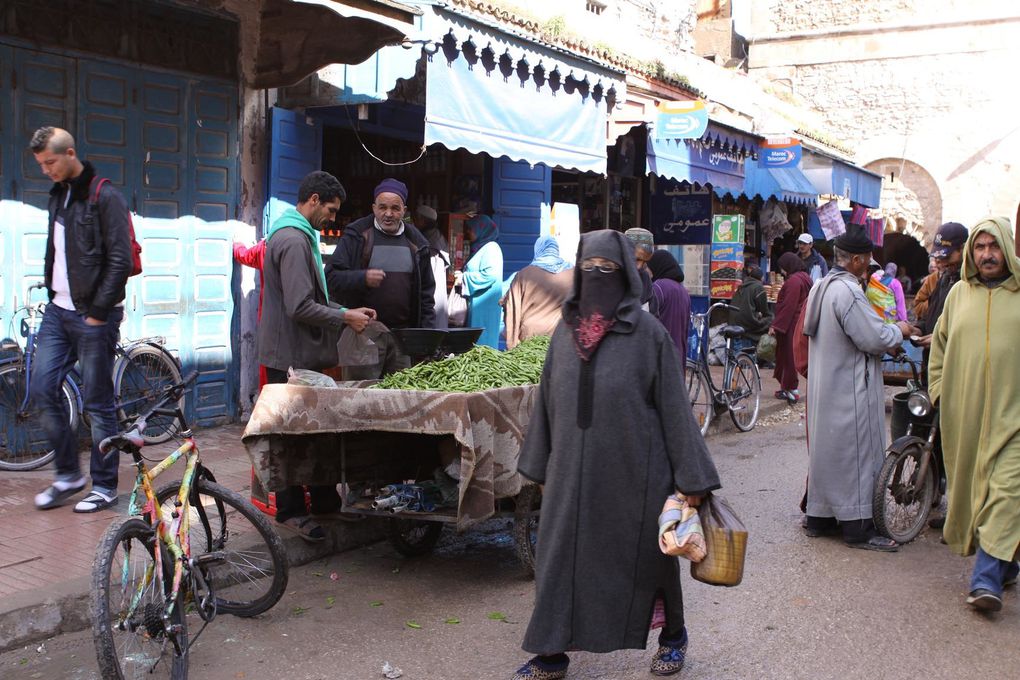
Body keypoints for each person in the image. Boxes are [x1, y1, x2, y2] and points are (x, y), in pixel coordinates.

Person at [513, 230, 720, 680]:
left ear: (625, 274)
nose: (597, 277)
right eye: (588, 269)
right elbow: (546, 402)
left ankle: (673, 639)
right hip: (570, 475)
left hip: (635, 475)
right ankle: (551, 655)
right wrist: (540, 465)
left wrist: (692, 480)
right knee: (557, 562)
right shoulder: (564, 335)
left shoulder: (649, 336)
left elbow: (674, 409)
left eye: (607, 270)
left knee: (651, 565)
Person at [258, 170, 375, 542]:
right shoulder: (292, 240)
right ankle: (292, 511)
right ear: (312, 201)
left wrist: (348, 311)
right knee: (292, 438)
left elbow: (314, 300)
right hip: (290, 357)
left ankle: (325, 501)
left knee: (318, 433)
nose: (333, 218)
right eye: (330, 209)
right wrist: (344, 317)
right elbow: (299, 306)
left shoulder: (298, 235)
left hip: (302, 354)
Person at [29, 127, 133, 513]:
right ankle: (69, 475)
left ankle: (104, 486)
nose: (46, 170)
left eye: (50, 162)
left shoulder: (105, 196)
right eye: (41, 165)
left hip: (93, 315)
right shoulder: (59, 195)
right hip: (58, 311)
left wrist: (98, 313)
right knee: (42, 387)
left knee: (98, 402)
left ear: (70, 153)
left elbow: (120, 260)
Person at [801, 227, 916, 551]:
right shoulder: (848, 292)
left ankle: (820, 519)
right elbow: (873, 337)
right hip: (849, 388)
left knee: (828, 455)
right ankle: (858, 528)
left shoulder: (821, 287)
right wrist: (901, 330)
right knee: (855, 456)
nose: (868, 265)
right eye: (866, 260)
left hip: (827, 386)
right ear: (855, 260)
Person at [928, 217, 1020, 613]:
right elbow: (940, 350)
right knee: (974, 491)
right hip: (963, 416)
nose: (987, 254)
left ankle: (985, 581)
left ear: (1008, 249)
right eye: (980, 247)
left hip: (1013, 419)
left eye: (994, 246)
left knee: (1005, 492)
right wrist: (937, 392)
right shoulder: (958, 295)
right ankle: (1007, 562)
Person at [325, 178, 436, 378]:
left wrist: (425, 339)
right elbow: (331, 278)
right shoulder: (357, 234)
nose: (388, 214)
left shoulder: (417, 243)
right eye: (382, 207)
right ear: (374, 207)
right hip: (364, 333)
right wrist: (362, 278)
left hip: (403, 338)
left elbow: (426, 294)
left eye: (395, 208)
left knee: (400, 399)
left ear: (404, 210)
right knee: (361, 398)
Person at [501, 235, 573, 349]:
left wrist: (512, 340)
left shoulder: (524, 274)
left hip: (530, 335)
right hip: (561, 334)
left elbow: (512, 306)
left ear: (538, 249)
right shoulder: (572, 273)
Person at [913, 222, 968, 347]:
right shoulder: (945, 279)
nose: (942, 262)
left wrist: (941, 339)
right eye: (939, 257)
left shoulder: (971, 283)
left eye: (947, 256)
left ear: (963, 249)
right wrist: (918, 329)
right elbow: (931, 315)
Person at [769, 252, 812, 404]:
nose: (782, 271)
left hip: (791, 324)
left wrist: (776, 326)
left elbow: (788, 306)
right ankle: (787, 388)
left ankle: (791, 389)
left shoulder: (794, 281)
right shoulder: (805, 278)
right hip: (799, 322)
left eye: (783, 268)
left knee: (788, 357)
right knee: (791, 356)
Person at [457, 214, 503, 348]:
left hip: (485, 306)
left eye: (471, 229)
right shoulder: (480, 248)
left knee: (483, 346)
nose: (468, 232)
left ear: (481, 229)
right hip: (477, 304)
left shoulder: (491, 248)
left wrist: (464, 278)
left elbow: (490, 275)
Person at [233, 239, 268, 389]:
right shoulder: (299, 245)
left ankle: (266, 405)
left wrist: (237, 245)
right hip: (291, 320)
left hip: (268, 317)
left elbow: (245, 255)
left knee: (267, 367)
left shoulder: (265, 246)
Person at [647, 249, 691, 368]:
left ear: (657, 266)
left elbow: (647, 318)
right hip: (678, 355)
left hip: (660, 353)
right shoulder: (684, 292)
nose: (648, 272)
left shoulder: (658, 287)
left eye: (649, 268)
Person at [414, 205, 450, 330]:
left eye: (417, 219)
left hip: (432, 288)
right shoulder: (436, 237)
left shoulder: (431, 243)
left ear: (423, 221)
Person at [729, 265, 773, 352]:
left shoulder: (741, 286)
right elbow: (765, 310)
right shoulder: (758, 287)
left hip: (734, 323)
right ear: (762, 278)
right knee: (770, 319)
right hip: (747, 325)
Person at [624, 227, 657, 312]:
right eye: (637, 259)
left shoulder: (644, 278)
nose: (639, 266)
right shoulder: (611, 275)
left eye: (644, 262)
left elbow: (653, 315)